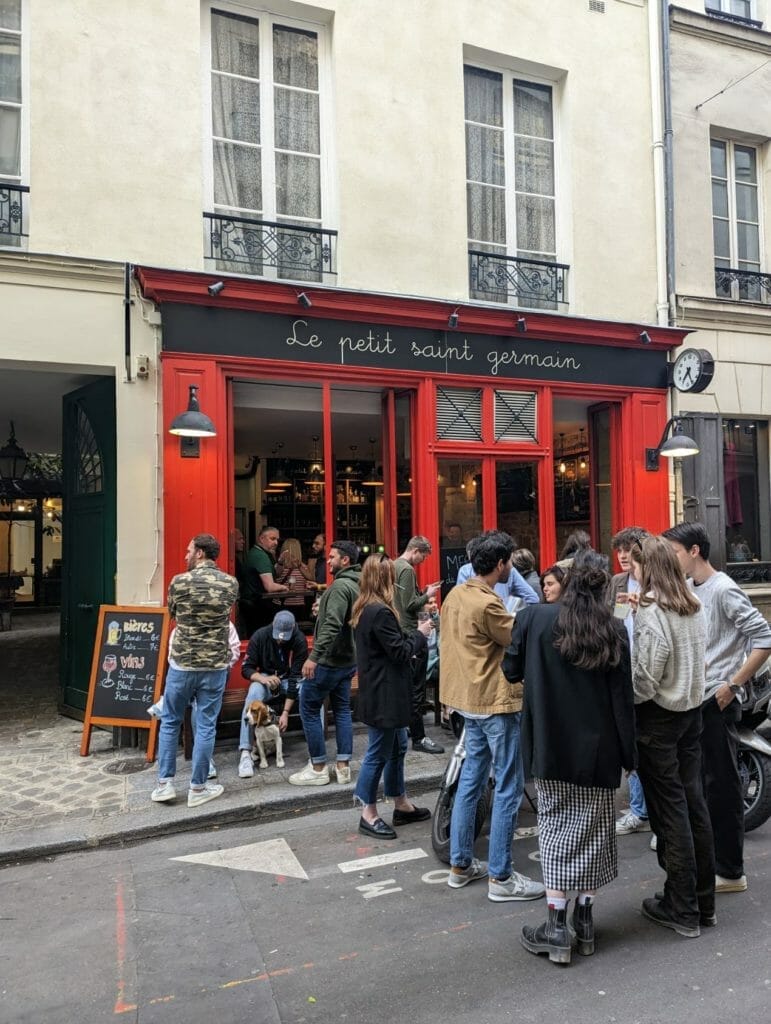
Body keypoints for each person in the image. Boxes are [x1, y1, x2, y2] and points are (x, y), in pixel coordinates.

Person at [508, 551, 635, 964]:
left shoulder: (533, 618)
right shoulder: (613, 629)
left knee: (554, 828)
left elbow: (511, 670)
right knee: (596, 832)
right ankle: (584, 920)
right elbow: (622, 701)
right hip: (600, 750)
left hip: (549, 742)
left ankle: (557, 926)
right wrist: (630, 755)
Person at [663, 521, 771, 894]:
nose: (670, 558)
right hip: (697, 699)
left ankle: (731, 870)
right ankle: (715, 865)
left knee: (722, 787)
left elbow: (764, 636)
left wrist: (733, 684)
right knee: (702, 786)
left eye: (674, 551)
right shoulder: (691, 588)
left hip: (718, 701)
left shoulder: (724, 589)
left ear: (694, 550)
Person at [440, 529, 545, 903]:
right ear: (500, 565)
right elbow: (514, 639)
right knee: (508, 786)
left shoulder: (456, 594)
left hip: (466, 698)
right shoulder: (488, 605)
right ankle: (501, 876)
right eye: (508, 564)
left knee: (471, 781)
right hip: (494, 701)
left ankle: (460, 864)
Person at [630, 536, 715, 939]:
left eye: (635, 564)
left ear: (648, 567)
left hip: (660, 718)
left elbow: (646, 678)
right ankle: (704, 901)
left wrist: (627, 698)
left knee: (671, 812)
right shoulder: (694, 605)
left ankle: (681, 907)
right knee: (693, 804)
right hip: (691, 713)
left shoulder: (652, 611)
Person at [151, 533, 239, 808]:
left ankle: (165, 784)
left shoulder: (179, 582)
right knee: (206, 725)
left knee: (170, 720)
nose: (185, 555)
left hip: (183, 663)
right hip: (214, 664)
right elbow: (226, 613)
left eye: (189, 550)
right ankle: (198, 787)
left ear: (200, 552)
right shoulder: (230, 583)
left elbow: (173, 614)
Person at [351, 554, 435, 839]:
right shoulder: (380, 612)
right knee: (378, 751)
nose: (396, 581)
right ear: (383, 579)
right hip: (384, 694)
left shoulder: (366, 609)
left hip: (381, 690)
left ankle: (400, 802)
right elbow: (399, 651)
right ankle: (368, 812)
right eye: (391, 576)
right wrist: (421, 634)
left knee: (398, 745)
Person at [289, 539, 361, 787]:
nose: (327, 560)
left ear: (345, 560)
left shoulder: (341, 587)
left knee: (309, 708)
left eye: (332, 557)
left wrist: (313, 657)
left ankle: (318, 766)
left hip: (330, 660)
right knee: (341, 710)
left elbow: (332, 624)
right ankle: (343, 767)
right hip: (348, 659)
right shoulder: (356, 584)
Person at [608, 526, 652, 837]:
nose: (623, 555)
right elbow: (613, 622)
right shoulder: (617, 582)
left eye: (628, 549)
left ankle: (645, 809)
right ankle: (640, 808)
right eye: (619, 550)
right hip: (627, 667)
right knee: (632, 738)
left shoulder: (658, 583)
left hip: (652, 668)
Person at [237, 609, 308, 778]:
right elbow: (246, 668)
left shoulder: (299, 639)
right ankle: (245, 752)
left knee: (309, 692)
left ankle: (315, 749)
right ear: (273, 625)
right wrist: (262, 679)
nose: (280, 639)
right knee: (253, 693)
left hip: (288, 678)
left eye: (285, 636)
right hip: (266, 677)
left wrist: (285, 713)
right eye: (278, 635)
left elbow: (295, 678)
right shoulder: (260, 636)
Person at [393, 536, 444, 755]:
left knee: (407, 688)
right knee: (416, 689)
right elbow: (409, 605)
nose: (423, 561)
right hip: (410, 631)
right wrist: (428, 594)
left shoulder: (394, 566)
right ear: (415, 550)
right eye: (423, 556)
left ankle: (407, 729)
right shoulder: (406, 569)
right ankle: (419, 737)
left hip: (401, 630)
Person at [456, 539, 540, 611]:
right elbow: (533, 599)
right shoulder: (466, 570)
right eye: (510, 561)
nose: (511, 565)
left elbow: (460, 602)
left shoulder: (465, 571)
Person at [240, 526, 289, 635]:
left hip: (253, 604)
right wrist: (285, 587)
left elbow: (275, 574)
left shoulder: (262, 553)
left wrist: (280, 562)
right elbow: (270, 586)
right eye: (272, 539)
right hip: (255, 606)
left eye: (277, 539)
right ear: (262, 539)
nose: (276, 543)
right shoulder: (260, 556)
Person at [275, 537, 313, 608]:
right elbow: (311, 580)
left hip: (281, 604)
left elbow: (275, 576)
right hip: (299, 604)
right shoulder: (303, 567)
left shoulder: (279, 566)